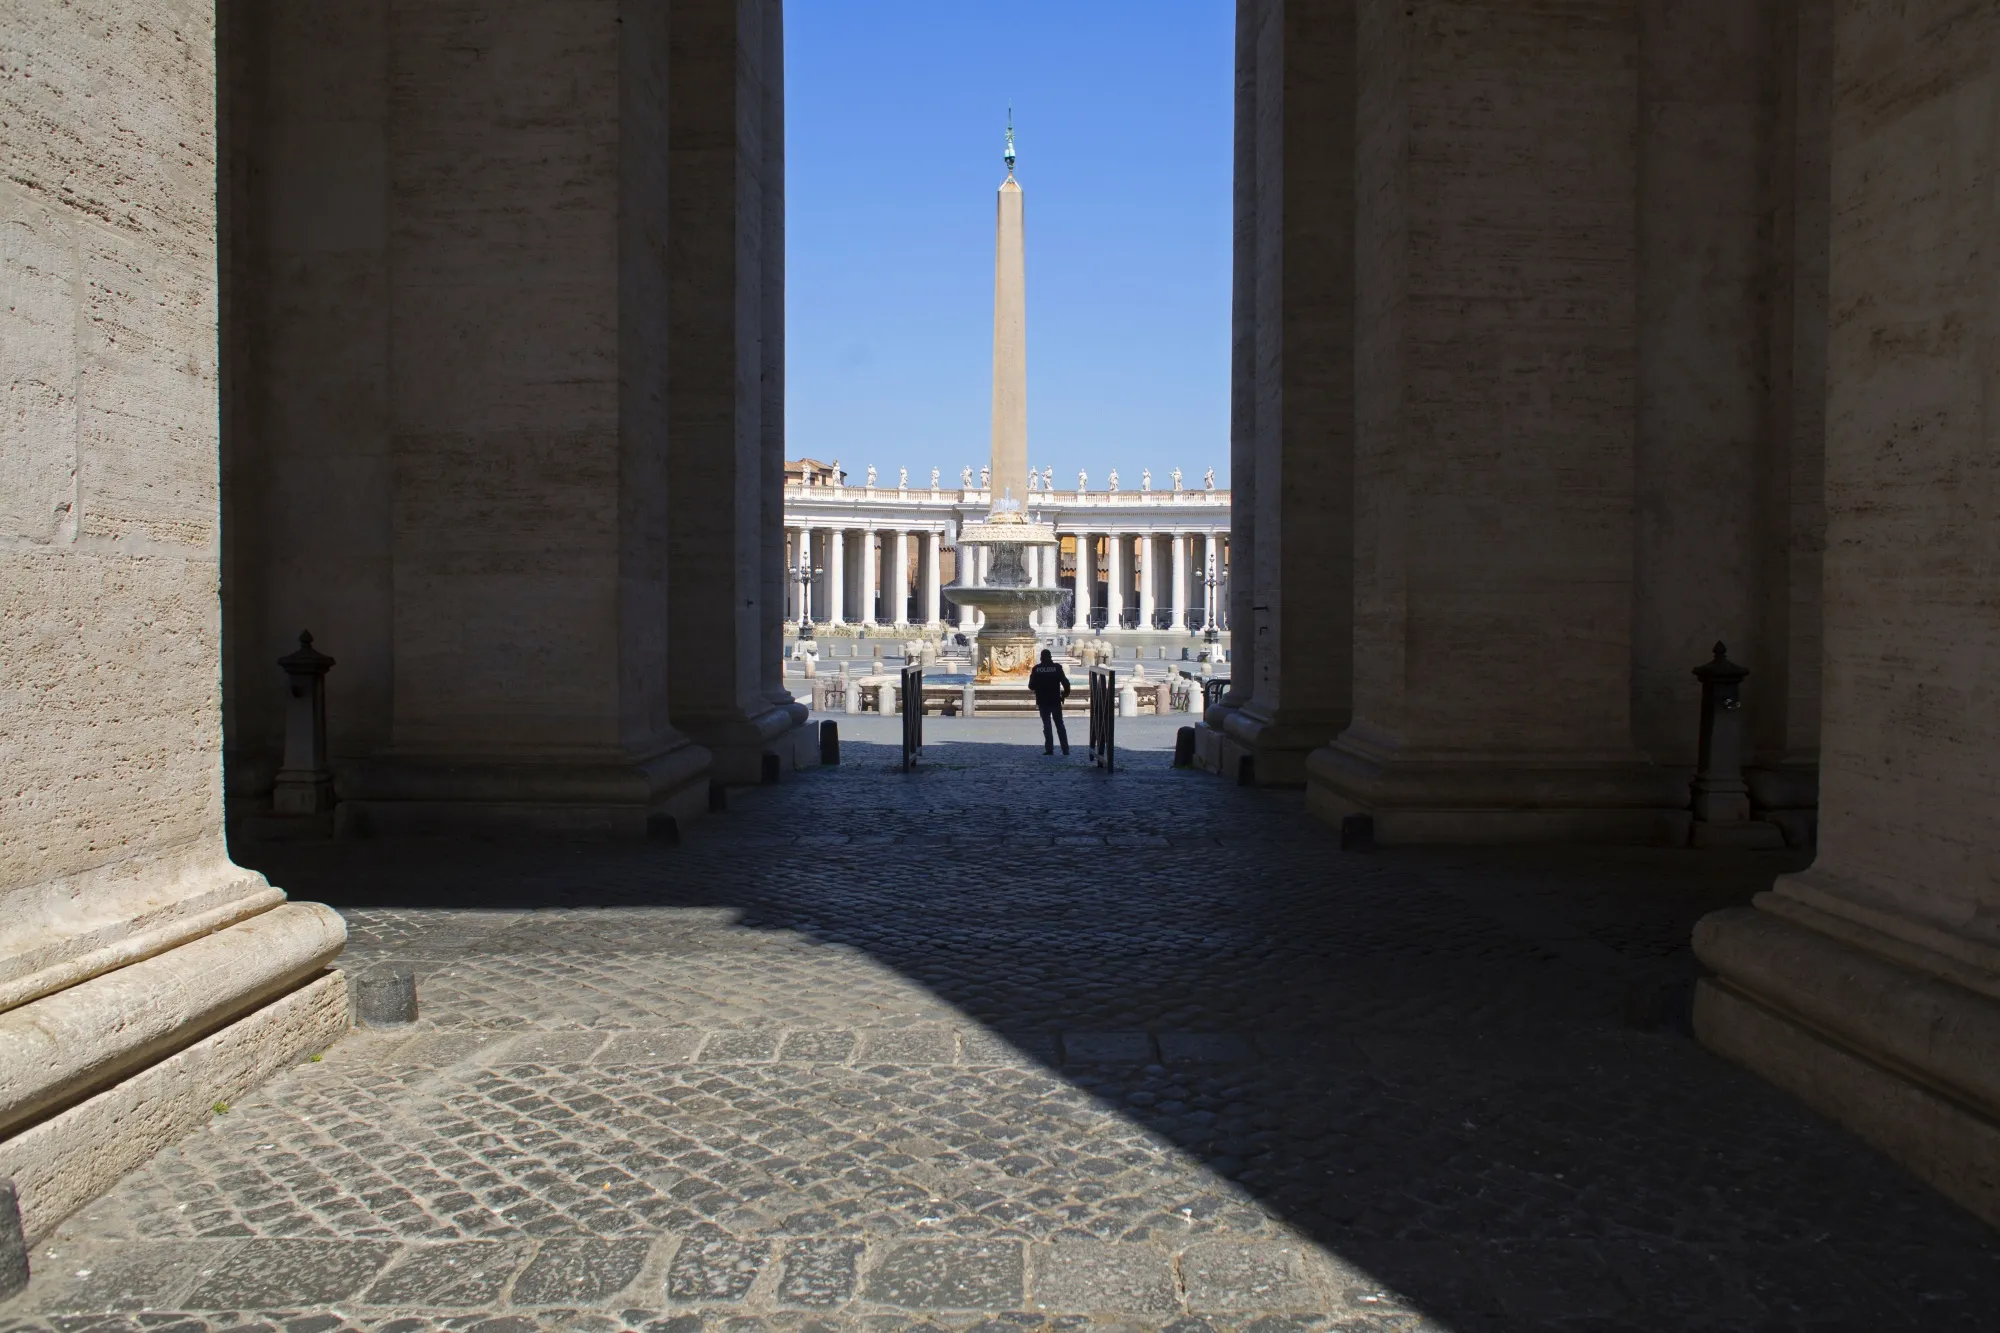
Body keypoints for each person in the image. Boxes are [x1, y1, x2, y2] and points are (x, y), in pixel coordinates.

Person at [1028, 648, 1071, 755]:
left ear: (1041, 658)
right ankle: (1065, 749)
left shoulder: (1036, 669)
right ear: (1050, 657)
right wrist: (1065, 694)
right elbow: (1066, 683)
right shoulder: (1057, 668)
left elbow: (1031, 686)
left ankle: (1049, 749)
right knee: (1060, 724)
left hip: (1043, 701)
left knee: (1047, 725)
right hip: (1055, 700)